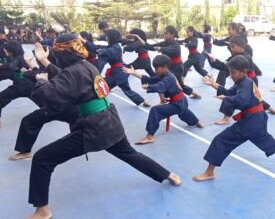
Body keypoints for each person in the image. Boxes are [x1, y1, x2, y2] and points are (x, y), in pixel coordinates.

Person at [27, 35, 181, 219]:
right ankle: (169, 174)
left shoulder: (73, 72)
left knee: (42, 159)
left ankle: (42, 210)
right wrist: (43, 61)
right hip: (109, 121)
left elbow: (48, 96)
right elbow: (67, 77)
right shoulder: (86, 66)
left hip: (93, 129)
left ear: (61, 53)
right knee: (131, 154)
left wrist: (41, 79)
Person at [192, 55, 275, 182]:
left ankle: (209, 173)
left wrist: (226, 99)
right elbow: (229, 92)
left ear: (243, 71)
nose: (231, 75)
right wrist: (213, 84)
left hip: (250, 122)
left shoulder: (245, 83)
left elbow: (242, 100)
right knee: (263, 137)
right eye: (230, 72)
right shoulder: (243, 82)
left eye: (233, 72)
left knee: (221, 140)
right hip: (258, 118)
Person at [124, 55, 204, 144]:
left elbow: (160, 86)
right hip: (182, 101)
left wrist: (148, 87)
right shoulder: (165, 74)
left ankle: (149, 137)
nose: (155, 71)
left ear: (164, 67)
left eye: (156, 68)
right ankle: (197, 122)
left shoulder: (168, 78)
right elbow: (150, 79)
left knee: (155, 110)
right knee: (183, 112)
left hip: (177, 103)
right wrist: (134, 72)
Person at [207, 34, 275, 125]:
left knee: (236, 96)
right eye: (230, 46)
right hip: (244, 79)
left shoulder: (244, 57)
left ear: (241, 46)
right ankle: (270, 108)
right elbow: (226, 66)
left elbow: (227, 65)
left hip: (248, 79)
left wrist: (219, 62)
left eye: (233, 46)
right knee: (253, 98)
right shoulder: (237, 56)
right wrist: (214, 60)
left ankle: (226, 118)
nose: (231, 49)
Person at [144, 25, 201, 99]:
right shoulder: (165, 42)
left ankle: (164, 99)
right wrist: (140, 42)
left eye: (166, 33)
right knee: (167, 81)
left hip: (177, 67)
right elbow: (151, 47)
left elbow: (168, 49)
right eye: (164, 33)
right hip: (169, 67)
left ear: (172, 34)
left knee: (176, 84)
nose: (164, 34)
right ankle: (163, 99)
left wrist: (160, 48)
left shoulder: (176, 45)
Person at [97, 29, 151, 107]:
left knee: (103, 86)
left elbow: (108, 51)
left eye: (107, 36)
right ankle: (143, 100)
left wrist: (101, 52)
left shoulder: (115, 48)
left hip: (119, 73)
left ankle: (143, 100)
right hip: (118, 72)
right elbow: (105, 48)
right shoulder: (113, 46)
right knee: (107, 86)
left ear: (110, 37)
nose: (106, 37)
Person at [0, 40, 37, 126]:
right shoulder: (21, 57)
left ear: (11, 50)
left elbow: (10, 67)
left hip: (22, 85)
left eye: (6, 49)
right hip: (28, 85)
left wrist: (2, 66)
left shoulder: (17, 60)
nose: (4, 51)